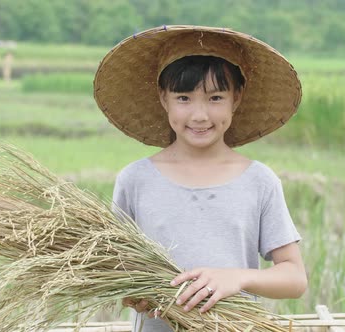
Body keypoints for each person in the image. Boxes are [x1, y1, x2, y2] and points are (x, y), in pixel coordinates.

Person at [93, 25, 307, 332]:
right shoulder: (135, 180)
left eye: (215, 97)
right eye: (183, 98)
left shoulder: (259, 181)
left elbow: (294, 278)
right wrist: (133, 292)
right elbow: (114, 268)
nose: (199, 115)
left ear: (238, 97)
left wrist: (236, 277)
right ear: (163, 98)